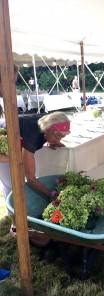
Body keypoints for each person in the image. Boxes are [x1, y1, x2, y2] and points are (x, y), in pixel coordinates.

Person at [0, 66, 71, 246]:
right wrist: (51, 194)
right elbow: (30, 177)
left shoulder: (45, 120)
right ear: (48, 130)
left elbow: (44, 136)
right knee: (12, 187)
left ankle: (25, 221)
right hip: (4, 151)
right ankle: (16, 226)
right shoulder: (33, 134)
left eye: (62, 136)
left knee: (20, 183)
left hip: (17, 143)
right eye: (56, 135)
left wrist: (52, 141)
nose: (59, 139)